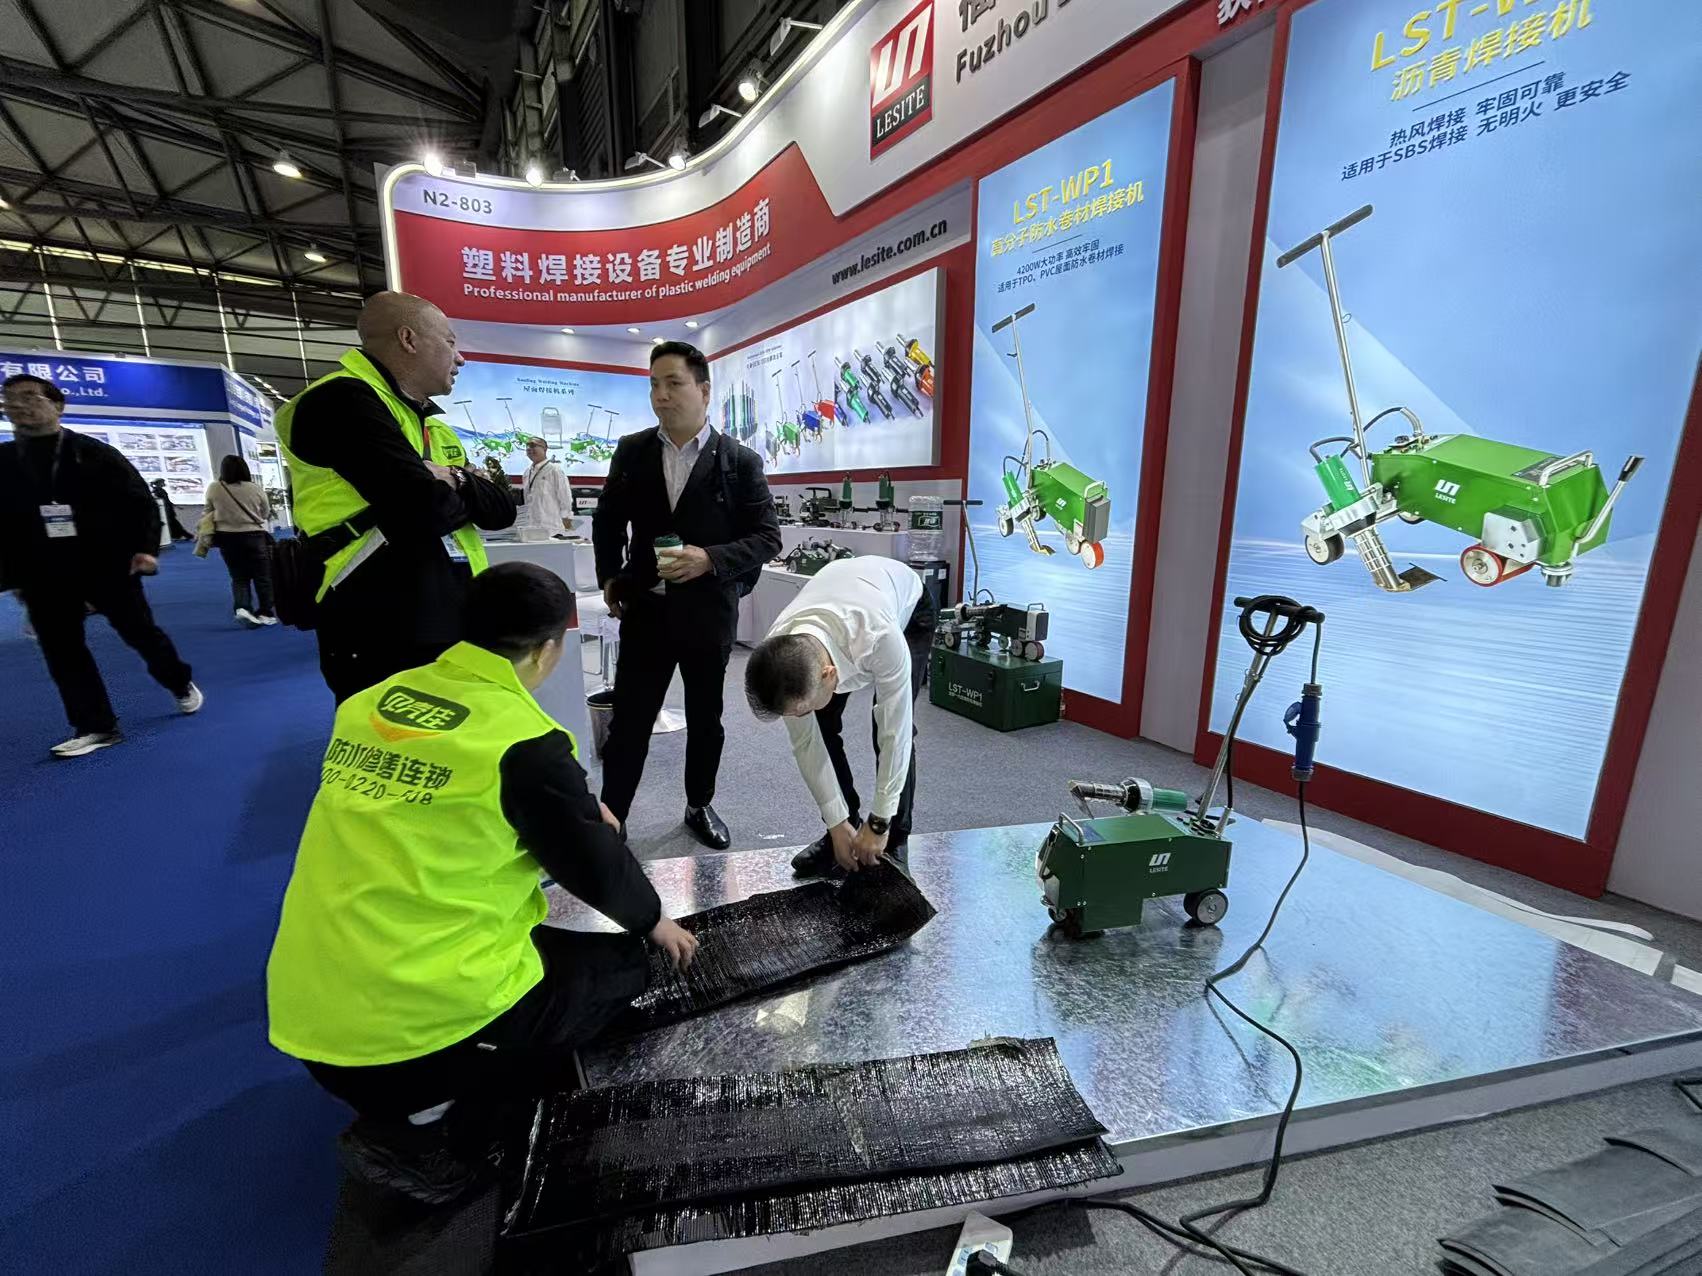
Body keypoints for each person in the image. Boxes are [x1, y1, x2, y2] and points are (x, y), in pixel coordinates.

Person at [265, 562, 698, 1201]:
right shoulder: (522, 740)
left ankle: (424, 1092)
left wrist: (569, 813)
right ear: (548, 649)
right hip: (408, 1039)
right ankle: (428, 1131)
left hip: (311, 1011)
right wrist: (655, 921)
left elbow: (447, 812)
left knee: (545, 951)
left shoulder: (372, 701)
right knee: (622, 970)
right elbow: (593, 865)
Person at [276, 291, 516, 702]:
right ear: (408, 339)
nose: (460, 359)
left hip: (449, 611)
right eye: (450, 342)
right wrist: (456, 487)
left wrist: (452, 476)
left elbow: (501, 510)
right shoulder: (340, 402)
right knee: (388, 734)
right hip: (377, 615)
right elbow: (425, 509)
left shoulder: (431, 424)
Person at [593, 341, 781, 850]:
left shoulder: (739, 461)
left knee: (705, 718)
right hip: (646, 610)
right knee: (630, 720)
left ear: (703, 390)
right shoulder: (632, 451)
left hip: (707, 613)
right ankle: (612, 817)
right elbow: (608, 520)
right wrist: (610, 576)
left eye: (673, 383)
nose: (661, 395)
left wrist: (710, 559)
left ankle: (699, 803)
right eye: (654, 385)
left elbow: (768, 537)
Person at [0, 373, 201, 758]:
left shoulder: (92, 453)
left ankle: (178, 681)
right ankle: (96, 726)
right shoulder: (4, 461)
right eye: (10, 400)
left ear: (57, 405)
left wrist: (145, 550)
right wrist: (13, 576)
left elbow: (139, 502)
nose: (19, 406)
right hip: (43, 573)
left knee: (142, 635)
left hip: (106, 565)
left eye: (29, 397)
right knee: (62, 652)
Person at [744, 556, 935, 877]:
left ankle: (896, 839)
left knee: (887, 727)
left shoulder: (880, 638)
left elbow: (896, 733)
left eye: (802, 709)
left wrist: (880, 821)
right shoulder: (783, 654)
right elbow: (807, 744)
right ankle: (846, 829)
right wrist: (836, 823)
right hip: (843, 596)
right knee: (821, 726)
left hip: (908, 608)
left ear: (829, 674)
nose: (798, 717)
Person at [201, 454, 277, 627]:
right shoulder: (254, 488)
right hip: (254, 537)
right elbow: (265, 512)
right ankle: (265, 613)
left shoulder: (214, 488)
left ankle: (243, 608)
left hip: (227, 538)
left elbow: (207, 512)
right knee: (263, 577)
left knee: (239, 577)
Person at [519, 436, 573, 537]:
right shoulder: (527, 472)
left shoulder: (554, 470)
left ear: (544, 449)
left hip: (552, 529)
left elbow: (565, 498)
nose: (529, 449)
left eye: (533, 445)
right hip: (531, 528)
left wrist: (567, 520)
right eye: (527, 446)